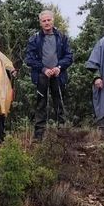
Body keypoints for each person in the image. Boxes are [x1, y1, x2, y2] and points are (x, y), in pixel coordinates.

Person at [24, 9, 74, 139]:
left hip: (58, 76)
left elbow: (69, 56)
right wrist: (43, 69)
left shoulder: (62, 37)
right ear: (40, 23)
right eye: (44, 21)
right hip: (42, 76)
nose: (46, 23)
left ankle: (62, 136)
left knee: (59, 104)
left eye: (48, 20)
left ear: (53, 20)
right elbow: (29, 59)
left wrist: (59, 67)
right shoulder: (34, 38)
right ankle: (38, 137)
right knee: (41, 105)